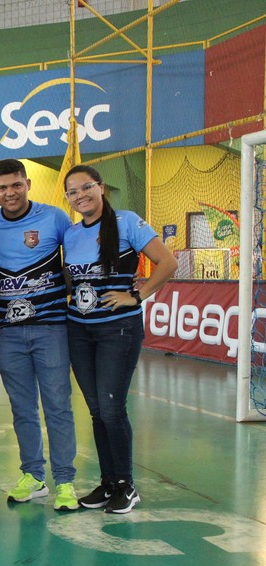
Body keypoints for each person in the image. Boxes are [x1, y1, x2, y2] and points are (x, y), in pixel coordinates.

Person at [63, 165, 177, 514]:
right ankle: (109, 482)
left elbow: (167, 263)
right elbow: (74, 281)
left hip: (118, 330)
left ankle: (126, 485)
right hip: (79, 330)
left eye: (86, 187)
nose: (80, 195)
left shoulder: (126, 221)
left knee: (112, 409)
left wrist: (137, 296)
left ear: (100, 188)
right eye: (72, 192)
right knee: (97, 410)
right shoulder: (70, 234)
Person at [0, 158, 79, 510]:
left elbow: (79, 252)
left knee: (57, 406)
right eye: (2, 188)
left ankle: (65, 481)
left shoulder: (54, 217)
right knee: (22, 409)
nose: (10, 193)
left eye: (16, 185)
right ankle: (34, 476)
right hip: (9, 332)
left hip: (52, 328)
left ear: (28, 184)